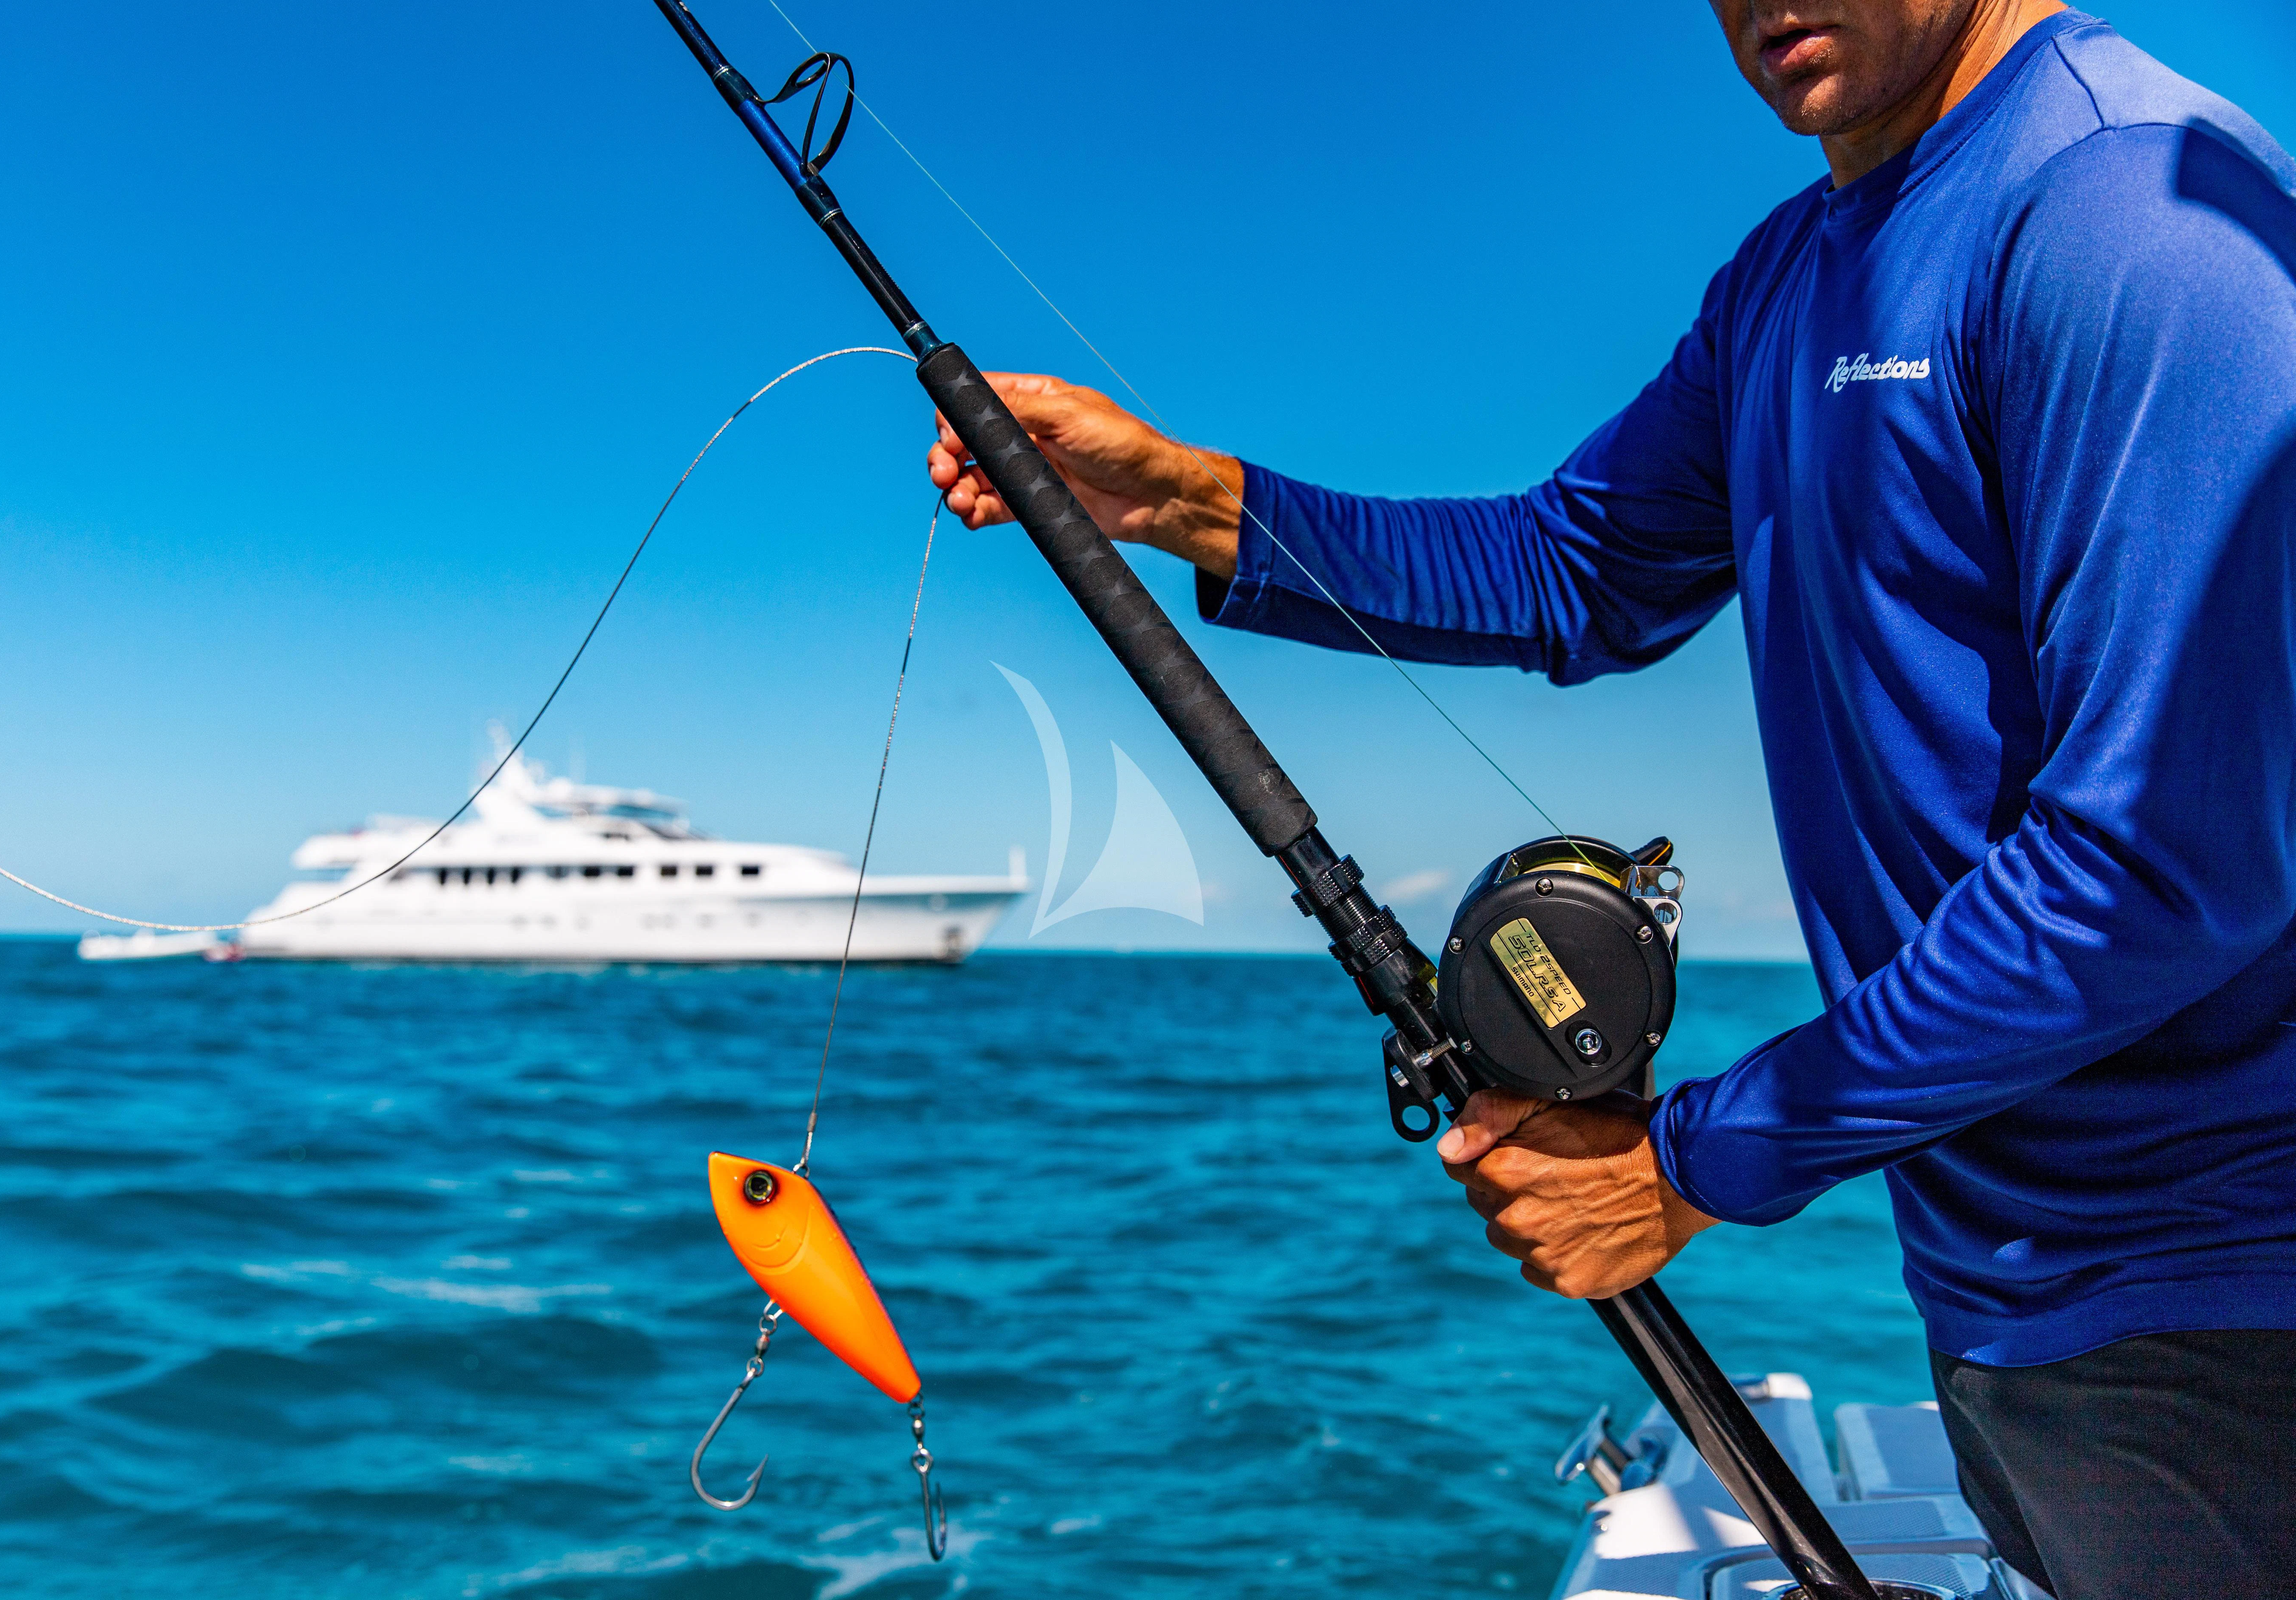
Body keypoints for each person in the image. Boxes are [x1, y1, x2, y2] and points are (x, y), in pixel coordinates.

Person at [926, 3, 2296, 1595]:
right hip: (2002, 1267)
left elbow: (2163, 860)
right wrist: (1187, 500)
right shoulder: (1791, 276)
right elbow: (1575, 565)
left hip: (2221, 1290)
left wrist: (1692, 1162)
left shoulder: (2129, 213)